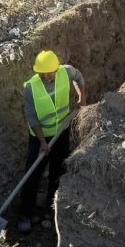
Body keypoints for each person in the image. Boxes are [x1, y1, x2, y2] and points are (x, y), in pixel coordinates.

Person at [19, 50, 86, 234]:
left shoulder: (66, 71)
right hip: (39, 137)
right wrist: (42, 141)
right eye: (42, 73)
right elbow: (32, 117)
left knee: (58, 169)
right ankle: (25, 214)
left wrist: (82, 97)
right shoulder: (31, 88)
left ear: (57, 69)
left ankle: (51, 204)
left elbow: (79, 77)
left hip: (62, 131)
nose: (46, 76)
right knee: (32, 175)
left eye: (50, 73)